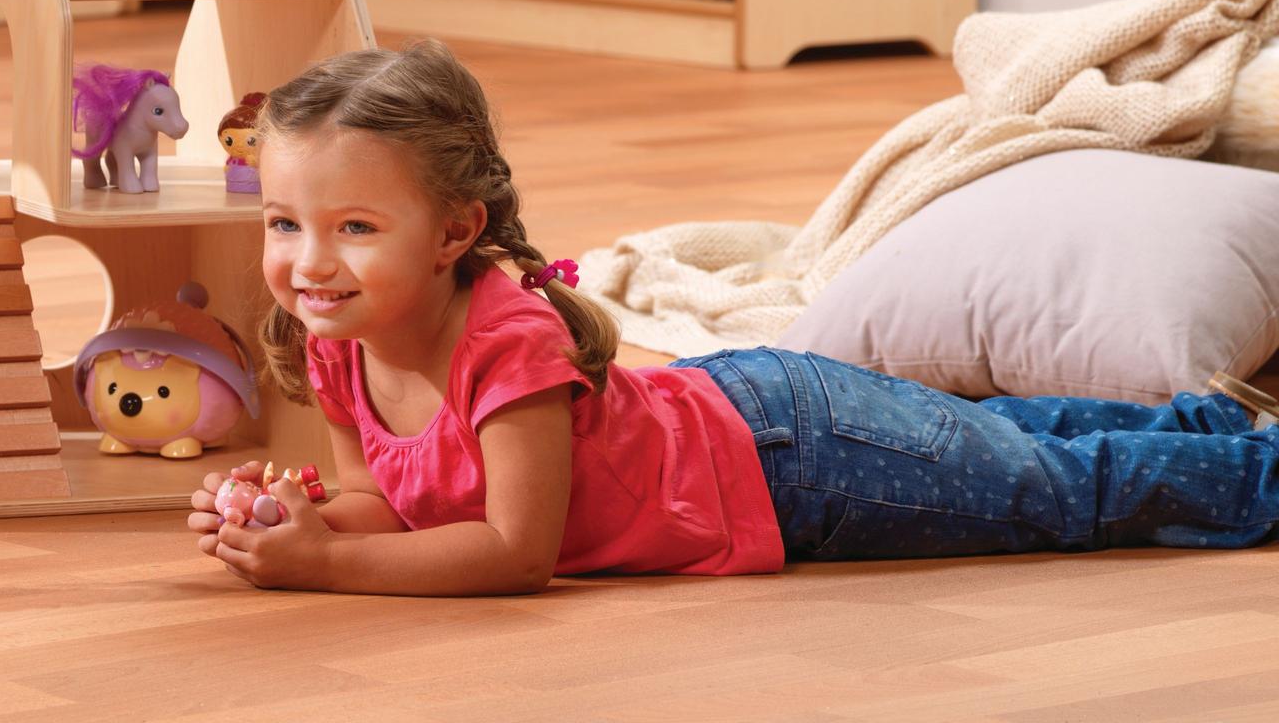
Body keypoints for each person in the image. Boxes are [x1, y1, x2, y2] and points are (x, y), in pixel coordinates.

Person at [186, 40, 1279, 594]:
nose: (307, 262)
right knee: (1016, 444)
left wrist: (328, 569)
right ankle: (1218, 433)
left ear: (455, 231)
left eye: (354, 228)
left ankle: (1259, 475)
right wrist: (305, 524)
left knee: (1047, 492)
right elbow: (396, 507)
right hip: (758, 424)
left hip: (793, 456)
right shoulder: (338, 343)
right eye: (284, 223)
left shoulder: (505, 340)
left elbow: (514, 552)